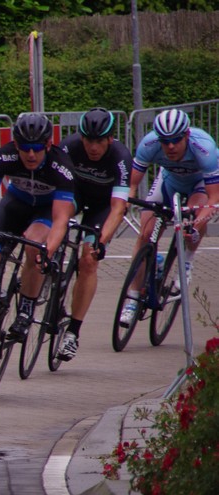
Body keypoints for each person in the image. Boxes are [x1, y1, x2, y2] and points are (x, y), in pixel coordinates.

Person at [0, 112, 75, 355]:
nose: (31, 154)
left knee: (34, 245)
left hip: (45, 210)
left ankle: (26, 309)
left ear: (47, 144)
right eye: (24, 148)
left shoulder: (61, 165)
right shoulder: (5, 155)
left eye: (37, 148)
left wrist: (48, 251)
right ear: (15, 144)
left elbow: (60, 220)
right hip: (15, 206)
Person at [119, 108, 219, 327]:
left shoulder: (204, 148)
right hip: (169, 181)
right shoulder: (149, 144)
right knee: (145, 235)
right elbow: (132, 185)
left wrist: (196, 224)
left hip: (199, 185)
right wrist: (124, 203)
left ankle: (186, 262)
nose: (170, 146)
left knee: (193, 217)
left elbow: (213, 198)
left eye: (176, 140)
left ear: (186, 135)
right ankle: (132, 298)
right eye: (165, 141)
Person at [56, 108, 133, 360]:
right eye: (88, 140)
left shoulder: (121, 157)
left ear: (110, 139)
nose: (93, 147)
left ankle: (72, 333)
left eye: (99, 141)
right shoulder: (68, 147)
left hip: (102, 207)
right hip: (74, 196)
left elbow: (118, 208)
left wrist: (101, 241)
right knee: (55, 221)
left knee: (89, 260)